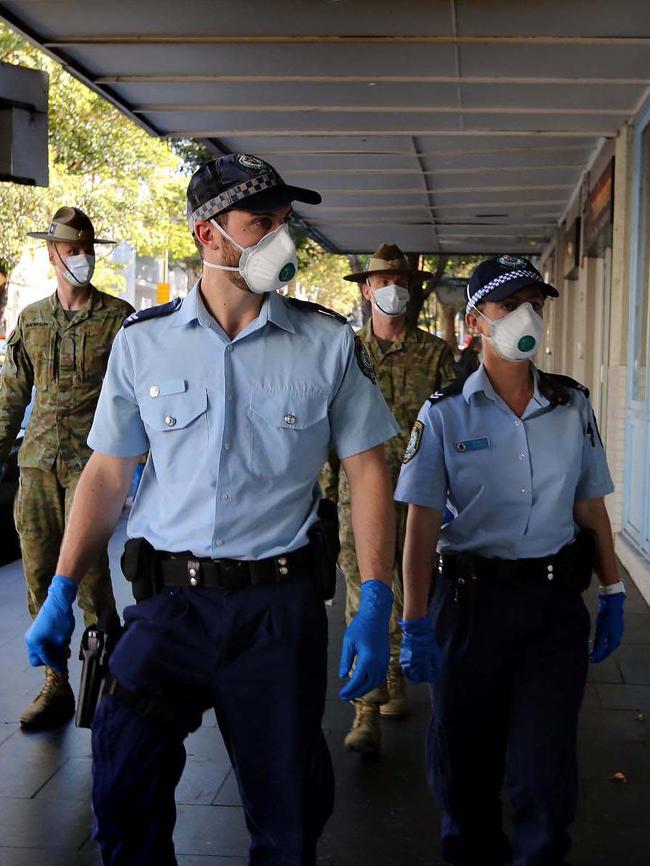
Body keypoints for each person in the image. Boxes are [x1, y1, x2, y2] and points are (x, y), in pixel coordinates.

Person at [24, 153, 400, 866]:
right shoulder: (144, 342)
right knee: (123, 788)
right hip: (171, 607)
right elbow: (108, 472)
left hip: (276, 609)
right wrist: (64, 587)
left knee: (288, 817)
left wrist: (375, 594)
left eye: (286, 224)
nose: (279, 241)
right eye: (261, 223)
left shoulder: (323, 344)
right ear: (208, 235)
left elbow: (368, 466)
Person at [395, 254, 624, 866]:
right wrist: (414, 620)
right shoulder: (444, 413)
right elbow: (419, 525)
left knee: (543, 774)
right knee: (465, 772)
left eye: (536, 305)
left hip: (550, 610)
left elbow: (591, 507)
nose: (527, 317)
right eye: (508, 305)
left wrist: (614, 590)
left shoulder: (572, 406)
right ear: (476, 321)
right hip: (468, 608)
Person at [0, 207, 133, 731]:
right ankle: (55, 684)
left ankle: (113, 678)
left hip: (92, 465)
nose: (81, 258)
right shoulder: (31, 320)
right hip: (36, 467)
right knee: (37, 575)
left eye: (87, 250)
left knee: (91, 577)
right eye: (72, 250)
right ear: (52, 255)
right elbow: (12, 398)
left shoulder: (119, 318)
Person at [322, 243, 455, 754]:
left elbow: (450, 427)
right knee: (363, 590)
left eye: (399, 281)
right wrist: (327, 490)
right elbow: (326, 423)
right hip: (360, 494)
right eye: (382, 281)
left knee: (409, 584)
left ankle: (395, 671)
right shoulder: (346, 352)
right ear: (366, 288)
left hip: (418, 494)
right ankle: (365, 709)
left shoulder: (435, 353)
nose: (391, 289)